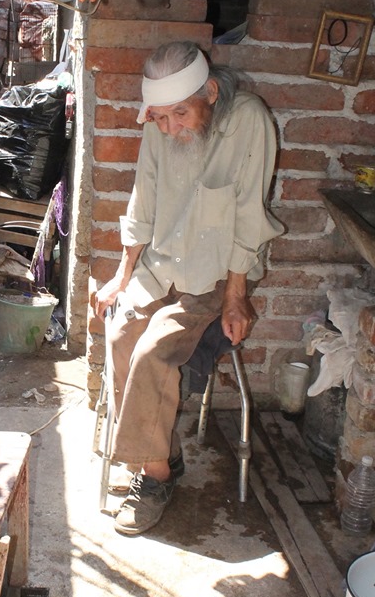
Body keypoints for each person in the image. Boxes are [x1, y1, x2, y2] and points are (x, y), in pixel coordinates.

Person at [94, 40, 283, 536]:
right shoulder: (160, 130)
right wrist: (121, 274)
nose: (170, 127)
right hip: (162, 265)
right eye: (159, 118)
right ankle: (162, 458)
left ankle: (153, 478)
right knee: (120, 338)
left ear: (211, 93)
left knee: (154, 353)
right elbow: (144, 198)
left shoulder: (248, 122)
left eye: (181, 113)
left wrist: (236, 296)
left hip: (217, 275)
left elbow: (248, 213)